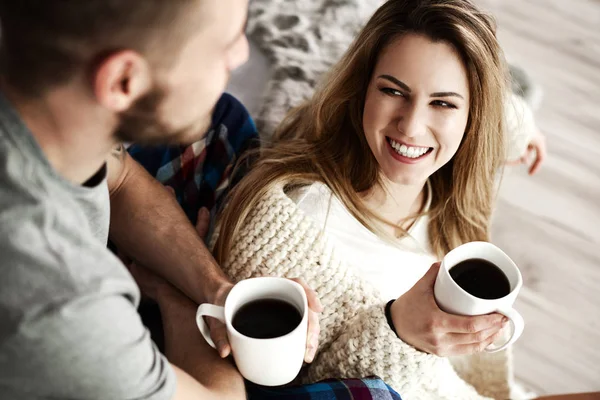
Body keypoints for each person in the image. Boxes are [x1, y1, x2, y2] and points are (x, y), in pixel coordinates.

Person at [212, 0, 536, 399]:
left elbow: (501, 112)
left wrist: (526, 130)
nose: (412, 126)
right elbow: (297, 390)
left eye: (443, 103)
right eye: (392, 91)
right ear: (362, 88)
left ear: (474, 117)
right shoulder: (292, 228)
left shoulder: (451, 190)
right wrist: (399, 331)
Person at [0, 0, 322, 398]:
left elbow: (117, 183)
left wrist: (218, 292)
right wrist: (177, 301)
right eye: (224, 43)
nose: (242, 55)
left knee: (222, 119)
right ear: (123, 80)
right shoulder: (62, 298)